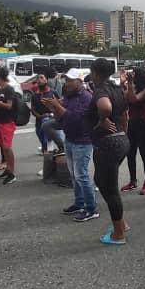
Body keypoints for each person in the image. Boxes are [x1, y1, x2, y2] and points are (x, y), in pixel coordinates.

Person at [86, 59, 131, 244]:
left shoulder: (101, 89)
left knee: (109, 188)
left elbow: (105, 107)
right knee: (102, 181)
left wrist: (101, 120)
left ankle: (118, 234)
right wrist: (123, 135)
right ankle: (121, 222)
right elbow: (125, 114)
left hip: (108, 143)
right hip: (120, 140)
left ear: (96, 73)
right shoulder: (116, 89)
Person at [43, 72, 98, 222]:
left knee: (81, 175)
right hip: (71, 139)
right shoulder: (69, 96)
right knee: (74, 175)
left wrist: (57, 106)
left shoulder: (86, 98)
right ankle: (80, 203)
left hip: (83, 141)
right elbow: (61, 119)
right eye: (66, 80)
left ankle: (91, 208)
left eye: (70, 80)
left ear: (79, 81)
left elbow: (76, 118)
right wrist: (53, 107)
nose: (66, 83)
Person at [121, 66, 145, 195]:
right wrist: (123, 83)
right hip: (132, 124)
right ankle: (133, 181)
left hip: (143, 124)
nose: (131, 77)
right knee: (131, 154)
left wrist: (128, 83)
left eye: (133, 75)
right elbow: (123, 97)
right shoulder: (132, 88)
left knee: (144, 154)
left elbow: (133, 99)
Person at [30, 68, 59, 156]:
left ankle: (49, 153)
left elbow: (59, 106)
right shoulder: (35, 95)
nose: (39, 80)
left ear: (46, 80)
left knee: (48, 139)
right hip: (39, 121)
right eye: (38, 78)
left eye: (41, 77)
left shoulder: (53, 92)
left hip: (51, 120)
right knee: (42, 139)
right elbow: (33, 109)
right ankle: (46, 150)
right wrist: (39, 116)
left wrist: (51, 114)